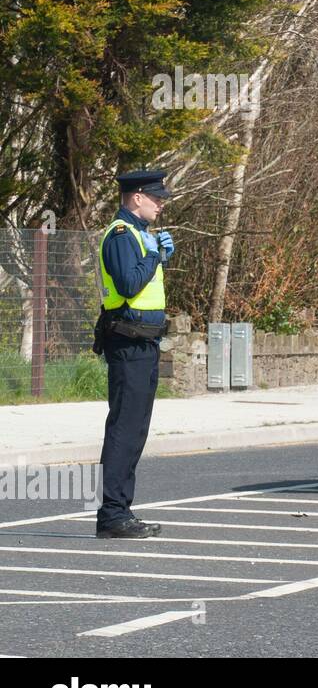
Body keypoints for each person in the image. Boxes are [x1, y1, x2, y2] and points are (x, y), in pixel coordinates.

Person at [93, 170, 175, 538]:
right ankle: (112, 515)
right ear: (136, 197)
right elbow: (127, 284)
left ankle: (120, 510)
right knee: (125, 427)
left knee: (135, 428)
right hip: (128, 342)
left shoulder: (140, 236)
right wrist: (154, 255)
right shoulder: (122, 235)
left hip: (144, 343)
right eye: (156, 197)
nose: (161, 203)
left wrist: (159, 256)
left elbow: (142, 282)